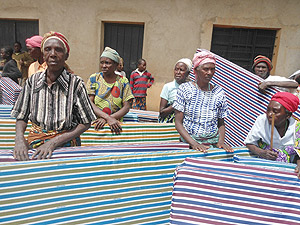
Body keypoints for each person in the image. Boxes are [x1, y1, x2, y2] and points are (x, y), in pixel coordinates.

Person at [11, 31, 96, 161]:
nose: (53, 54)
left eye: (58, 50)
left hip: (66, 146)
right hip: (36, 143)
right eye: (48, 49)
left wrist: (53, 142)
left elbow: (85, 123)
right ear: (43, 54)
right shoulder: (32, 81)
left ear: (66, 56)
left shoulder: (76, 83)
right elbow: (21, 115)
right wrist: (19, 139)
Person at [173, 50, 233, 153]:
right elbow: (178, 122)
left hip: (212, 144)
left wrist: (221, 141)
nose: (209, 73)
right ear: (196, 70)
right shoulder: (185, 89)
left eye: (212, 69)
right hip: (188, 143)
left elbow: (221, 123)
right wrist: (193, 143)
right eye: (206, 69)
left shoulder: (218, 92)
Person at [86, 47, 134, 134]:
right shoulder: (94, 78)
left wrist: (111, 118)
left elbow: (127, 106)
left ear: (116, 65)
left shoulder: (123, 81)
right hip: (96, 124)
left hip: (115, 124)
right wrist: (107, 118)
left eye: (107, 63)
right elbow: (89, 102)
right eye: (102, 62)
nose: (104, 66)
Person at [245, 92, 300, 163]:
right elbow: (249, 143)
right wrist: (261, 152)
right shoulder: (262, 120)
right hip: (265, 161)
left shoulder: (297, 127)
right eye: (268, 110)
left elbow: (298, 151)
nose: (269, 114)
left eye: (275, 111)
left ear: (288, 115)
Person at [159, 58, 192, 123]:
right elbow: (162, 112)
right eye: (176, 69)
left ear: (188, 73)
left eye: (181, 70)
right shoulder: (168, 87)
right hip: (169, 125)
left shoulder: (192, 89)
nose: (178, 72)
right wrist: (177, 104)